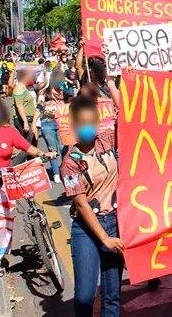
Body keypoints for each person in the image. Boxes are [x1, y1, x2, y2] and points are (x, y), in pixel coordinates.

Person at [0, 98, 56, 277]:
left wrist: (43, 153)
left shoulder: (9, 132)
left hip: (3, 182)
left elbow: (28, 147)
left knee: (1, 222)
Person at [60, 97, 124, 317]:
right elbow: (80, 202)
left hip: (114, 222)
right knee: (85, 297)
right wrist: (105, 239)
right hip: (86, 229)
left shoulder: (107, 141)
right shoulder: (69, 162)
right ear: (74, 126)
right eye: (82, 123)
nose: (87, 128)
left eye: (91, 122)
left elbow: (132, 120)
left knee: (112, 295)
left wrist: (114, 87)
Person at [38, 71, 69, 183]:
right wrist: (47, 108)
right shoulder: (44, 93)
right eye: (60, 79)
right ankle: (56, 173)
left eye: (63, 79)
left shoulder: (66, 93)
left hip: (63, 123)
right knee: (52, 149)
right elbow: (39, 107)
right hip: (47, 123)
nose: (61, 81)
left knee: (64, 149)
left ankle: (65, 170)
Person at [12, 69, 39, 145]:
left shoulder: (24, 87)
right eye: (30, 75)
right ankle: (23, 157)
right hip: (23, 120)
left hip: (29, 119)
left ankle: (31, 157)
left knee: (33, 143)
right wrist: (25, 123)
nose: (33, 77)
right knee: (29, 145)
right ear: (25, 77)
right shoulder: (19, 88)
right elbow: (19, 106)